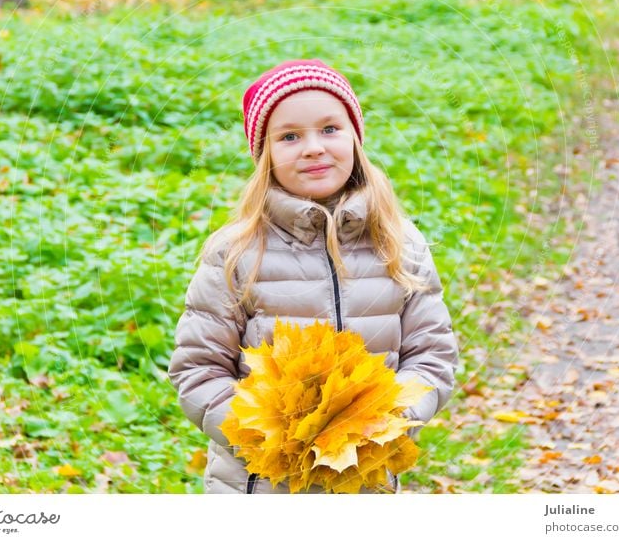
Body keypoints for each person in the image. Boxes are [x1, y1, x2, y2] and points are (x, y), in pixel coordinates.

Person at [169, 59, 459, 494]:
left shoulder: (400, 243)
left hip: (366, 482)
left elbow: (432, 355)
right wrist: (267, 438)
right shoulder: (236, 253)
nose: (313, 148)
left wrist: (387, 421)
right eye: (289, 137)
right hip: (260, 486)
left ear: (355, 138)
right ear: (264, 154)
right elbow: (199, 369)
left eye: (329, 129)